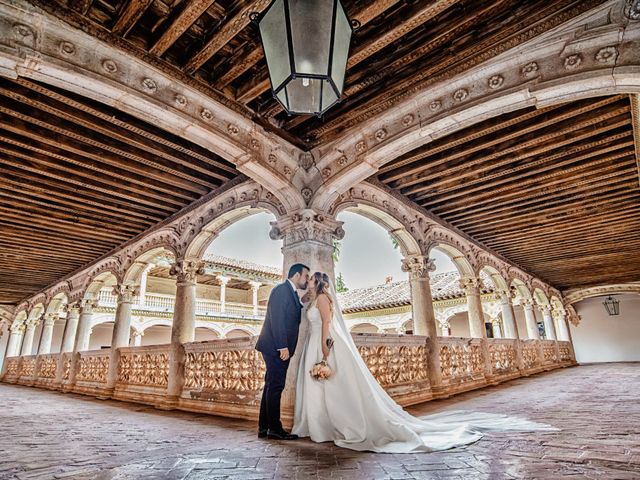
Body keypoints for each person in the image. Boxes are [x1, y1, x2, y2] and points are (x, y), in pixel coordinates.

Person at [292, 271, 558, 453]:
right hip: (313, 344)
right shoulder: (314, 298)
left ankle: (337, 425)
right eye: (310, 277)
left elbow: (327, 324)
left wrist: (325, 351)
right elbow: (304, 300)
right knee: (321, 389)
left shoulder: (324, 299)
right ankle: (318, 425)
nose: (310, 280)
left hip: (323, 343)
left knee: (334, 387)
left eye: (313, 278)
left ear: (320, 283)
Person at [255, 263, 309, 440]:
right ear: (296, 275)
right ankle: (275, 429)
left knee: (271, 385)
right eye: (305, 276)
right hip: (275, 347)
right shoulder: (281, 290)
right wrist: (282, 346)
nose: (307, 280)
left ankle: (265, 427)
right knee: (276, 386)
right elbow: (276, 319)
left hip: (274, 347)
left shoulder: (290, 292)